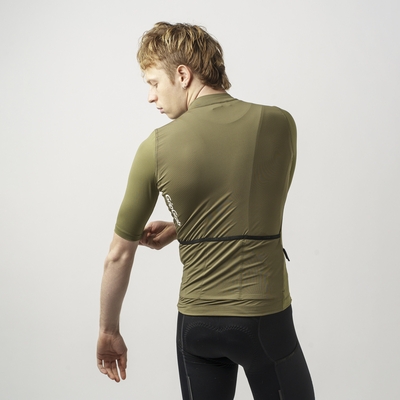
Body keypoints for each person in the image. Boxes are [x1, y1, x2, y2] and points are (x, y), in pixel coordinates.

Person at [96, 22, 315, 400]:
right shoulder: (278, 123)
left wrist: (108, 331)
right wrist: (186, 226)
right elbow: (258, 201)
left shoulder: (155, 147)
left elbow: (118, 255)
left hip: (197, 326)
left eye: (153, 83)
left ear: (183, 75)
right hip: (265, 320)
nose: (150, 96)